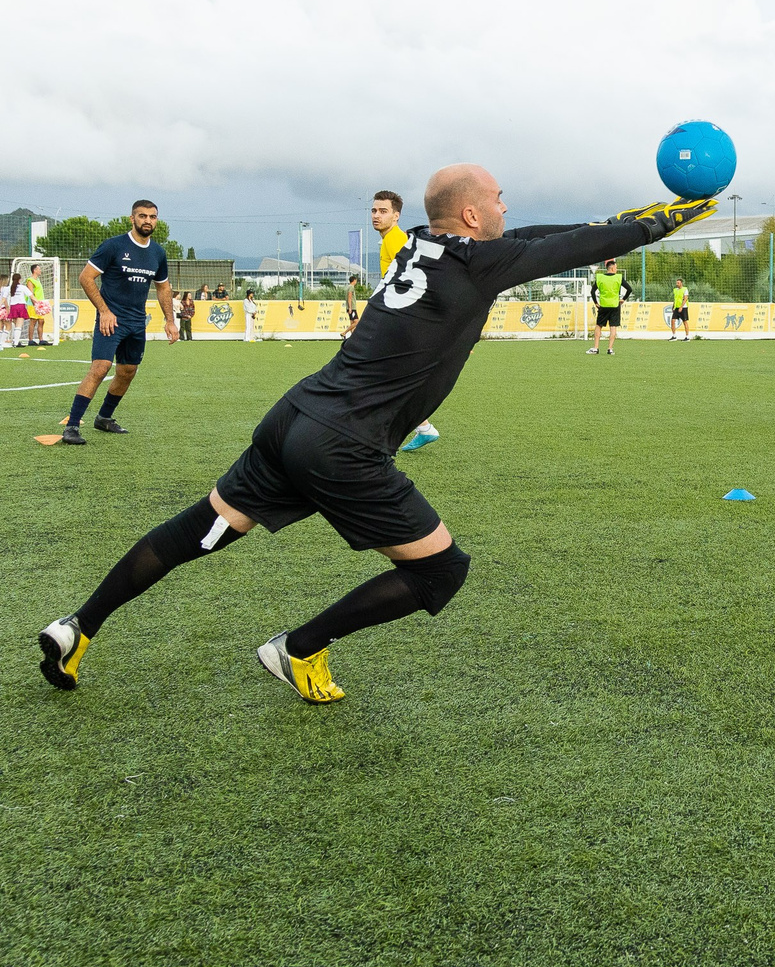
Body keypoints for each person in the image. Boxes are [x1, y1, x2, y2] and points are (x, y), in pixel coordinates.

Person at [35, 171, 710, 701]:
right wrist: (659, 221)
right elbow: (573, 247)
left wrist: (624, 216)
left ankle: (77, 626)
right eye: (498, 199)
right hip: (344, 444)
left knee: (200, 529)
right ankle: (300, 646)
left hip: (296, 414)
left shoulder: (427, 240)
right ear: (473, 216)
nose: (507, 208)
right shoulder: (479, 263)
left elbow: (542, 234)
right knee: (440, 571)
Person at [62, 200, 178, 445]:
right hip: (111, 320)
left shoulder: (158, 253)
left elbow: (163, 287)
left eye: (153, 217)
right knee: (100, 367)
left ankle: (104, 418)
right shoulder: (114, 246)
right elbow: (86, 278)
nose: (148, 220)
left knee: (127, 371)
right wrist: (104, 311)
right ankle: (72, 426)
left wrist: (170, 320)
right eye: (143, 216)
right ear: (132, 218)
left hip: (137, 322)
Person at [371, 191, 442, 451]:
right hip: (398, 318)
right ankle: (422, 427)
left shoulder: (395, 239)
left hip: (404, 320)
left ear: (396, 215)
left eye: (383, 211)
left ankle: (408, 428)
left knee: (383, 375)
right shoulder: (390, 239)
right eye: (374, 211)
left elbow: (416, 274)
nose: (377, 216)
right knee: (388, 375)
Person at [588, 258, 632, 353]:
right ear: (612, 268)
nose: (616, 269)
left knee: (599, 326)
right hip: (615, 305)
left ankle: (595, 348)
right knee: (613, 327)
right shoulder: (618, 278)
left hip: (603, 305)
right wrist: (623, 299)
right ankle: (610, 349)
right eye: (616, 267)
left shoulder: (600, 277)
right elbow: (629, 289)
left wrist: (596, 302)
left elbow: (592, 291)